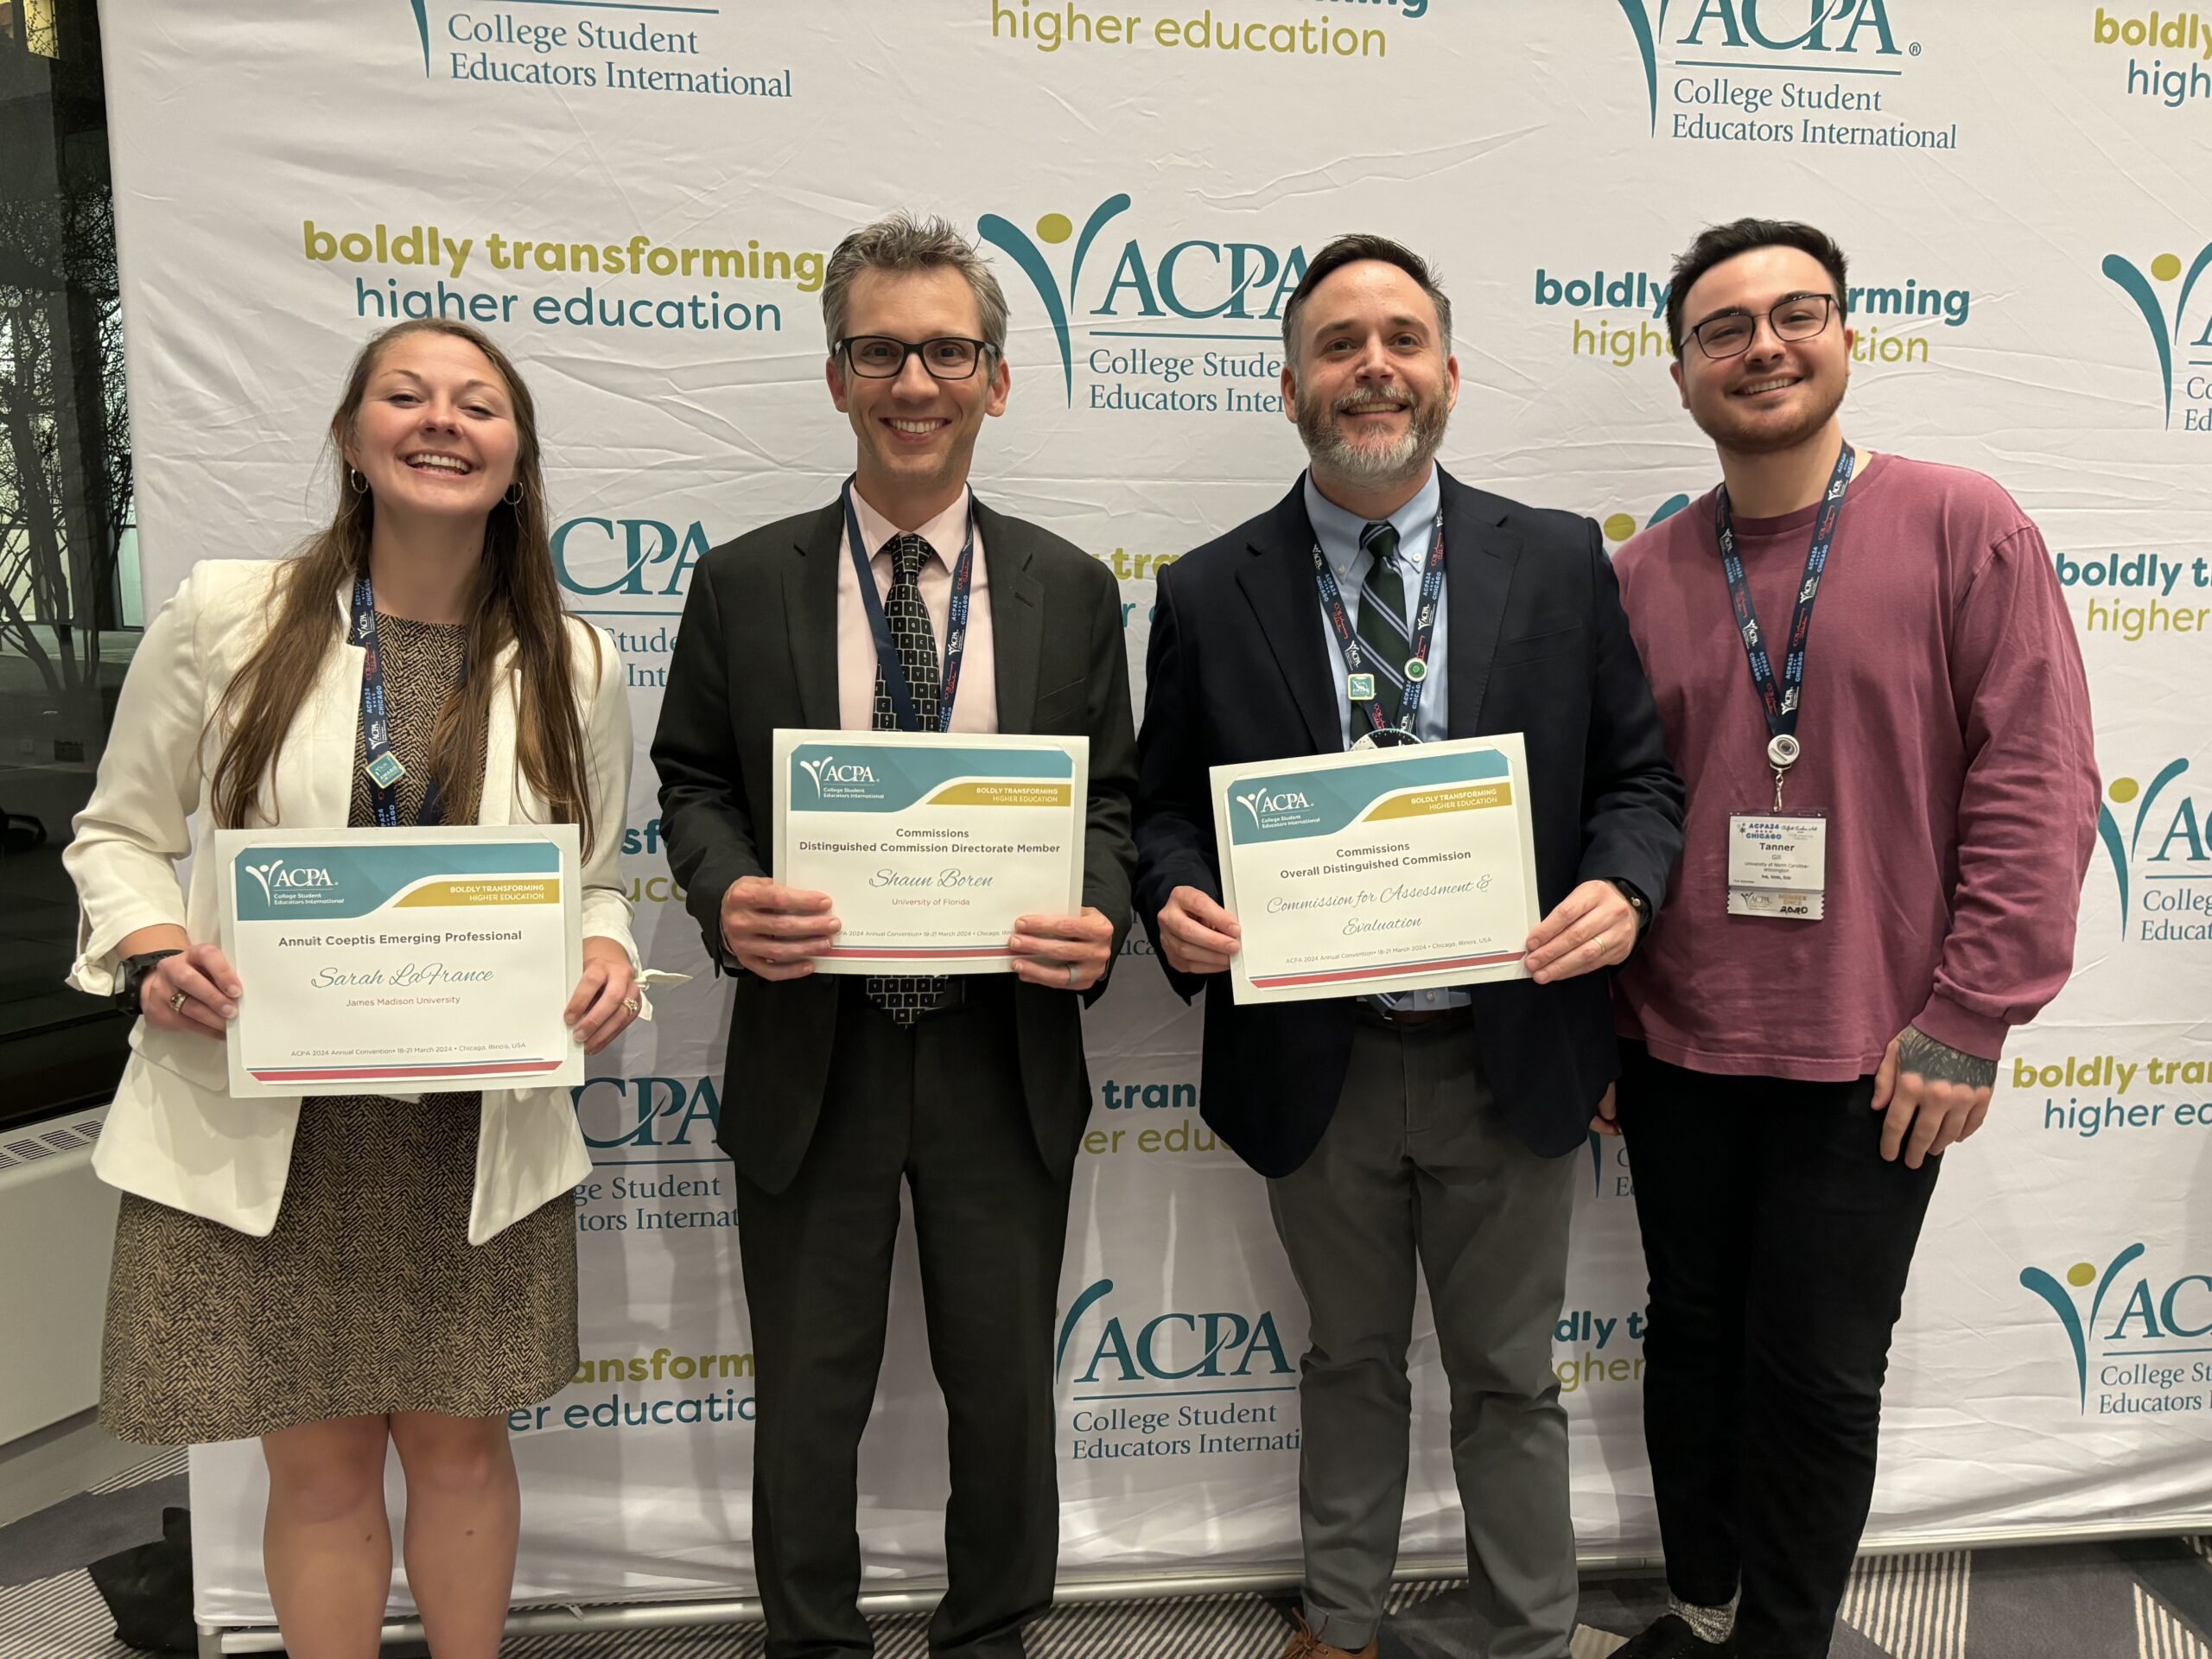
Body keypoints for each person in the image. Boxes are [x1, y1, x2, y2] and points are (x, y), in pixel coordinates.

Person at [1132, 233, 1685, 1659]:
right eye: (1337, 344)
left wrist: (1624, 891)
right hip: (1322, 1056)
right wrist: (1174, 902)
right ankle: (1343, 1620)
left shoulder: (1560, 558)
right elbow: (1164, 813)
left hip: (1514, 1046)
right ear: (1290, 384)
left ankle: (1526, 1633)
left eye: (1399, 338)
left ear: (1448, 369)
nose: (1370, 366)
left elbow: (1638, 783)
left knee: (1512, 1376)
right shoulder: (1205, 589)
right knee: (1348, 1362)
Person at [63, 317, 645, 1659]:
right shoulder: (229, 617)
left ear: (518, 460)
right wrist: (152, 947)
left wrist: (608, 949)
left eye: (479, 406)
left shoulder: (576, 662)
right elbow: (115, 834)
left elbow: (601, 876)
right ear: (351, 437)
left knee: (459, 1453)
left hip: (467, 1124)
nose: (443, 422)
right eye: (407, 396)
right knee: (317, 1472)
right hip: (285, 1117)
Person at [1602, 219, 2099, 1659]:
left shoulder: (1964, 523)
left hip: (1880, 1052)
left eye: (1793, 312)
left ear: (1845, 333)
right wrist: (1603, 1027)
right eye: (1723, 327)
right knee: (1688, 1338)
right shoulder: (1641, 577)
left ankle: (1789, 1638)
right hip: (1678, 1036)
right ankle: (1700, 1609)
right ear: (1683, 372)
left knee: (1817, 1370)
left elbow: (2039, 777)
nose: (1762, 344)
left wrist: (1973, 1016)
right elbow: (1617, 813)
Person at [651, 211, 1137, 1659]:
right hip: (818, 1051)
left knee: (1003, 1390)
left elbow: (1111, 801)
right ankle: (811, 1641)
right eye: (880, 350)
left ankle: (992, 1636)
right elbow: (692, 781)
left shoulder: (1073, 585)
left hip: (1002, 1048)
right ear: (836, 375)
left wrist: (1097, 911)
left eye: (945, 350)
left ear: (996, 379)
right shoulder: (747, 580)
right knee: (810, 1393)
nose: (912, 380)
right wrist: (726, 896)